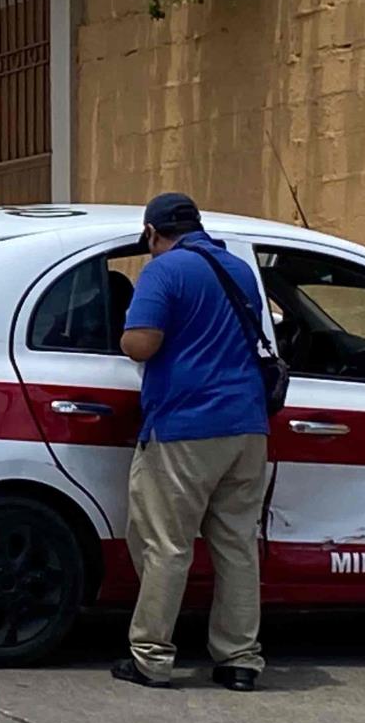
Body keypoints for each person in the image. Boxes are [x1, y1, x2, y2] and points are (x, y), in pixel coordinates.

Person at [111, 193, 269, 692]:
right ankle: (240, 659)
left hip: (184, 426)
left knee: (165, 545)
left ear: (152, 233)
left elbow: (142, 343)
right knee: (238, 545)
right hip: (247, 425)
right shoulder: (238, 269)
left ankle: (151, 657)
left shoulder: (164, 271)